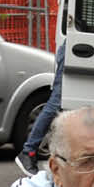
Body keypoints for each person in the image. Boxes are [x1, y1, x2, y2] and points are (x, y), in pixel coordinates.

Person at [14, 39, 65, 176]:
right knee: (57, 103)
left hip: (74, 51)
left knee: (64, 107)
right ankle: (28, 152)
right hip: (73, 52)